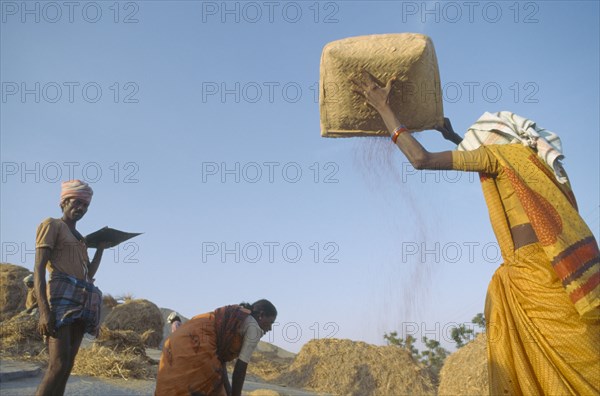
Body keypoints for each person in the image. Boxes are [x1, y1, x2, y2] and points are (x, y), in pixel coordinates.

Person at [354, 71, 599, 394]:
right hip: (561, 280)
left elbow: (421, 159)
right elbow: (488, 161)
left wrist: (385, 108)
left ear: (490, 144)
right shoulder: (542, 167)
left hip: (531, 282)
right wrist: (454, 137)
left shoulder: (500, 158)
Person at [34, 180, 107, 396]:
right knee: (57, 365)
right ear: (64, 202)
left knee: (67, 366)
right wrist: (44, 312)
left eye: (85, 206)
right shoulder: (52, 225)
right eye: (77, 203)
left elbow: (88, 274)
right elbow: (38, 269)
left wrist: (100, 249)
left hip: (81, 298)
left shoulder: (82, 239)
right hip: (60, 296)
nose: (81, 209)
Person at [155, 299, 277, 396]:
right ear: (261, 315)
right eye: (271, 322)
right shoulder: (254, 329)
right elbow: (240, 369)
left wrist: (230, 393)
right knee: (199, 387)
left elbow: (220, 360)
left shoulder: (237, 317)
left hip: (181, 337)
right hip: (198, 346)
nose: (270, 328)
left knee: (174, 384)